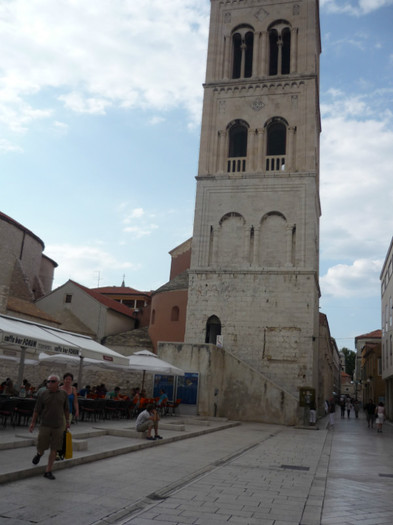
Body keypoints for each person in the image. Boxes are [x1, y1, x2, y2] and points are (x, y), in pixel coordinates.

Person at [29, 374, 70, 480]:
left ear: (57, 383)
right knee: (42, 446)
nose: (49, 383)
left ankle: (48, 471)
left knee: (54, 448)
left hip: (58, 425)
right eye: (48, 381)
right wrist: (33, 423)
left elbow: (66, 409)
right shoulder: (43, 394)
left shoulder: (63, 394)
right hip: (45, 425)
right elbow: (37, 410)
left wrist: (68, 421)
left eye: (52, 381)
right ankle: (39, 454)